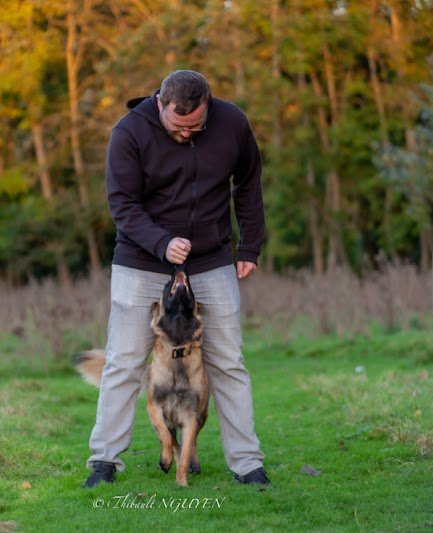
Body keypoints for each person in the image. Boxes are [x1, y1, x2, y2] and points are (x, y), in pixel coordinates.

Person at [84, 70, 269, 487]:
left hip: (211, 258)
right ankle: (105, 462)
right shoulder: (129, 134)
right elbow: (122, 203)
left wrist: (249, 245)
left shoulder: (232, 123)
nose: (187, 133)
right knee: (123, 361)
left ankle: (247, 464)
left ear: (209, 107)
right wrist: (161, 242)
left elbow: (249, 182)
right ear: (160, 105)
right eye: (177, 126)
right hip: (140, 259)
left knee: (230, 361)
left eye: (196, 126)